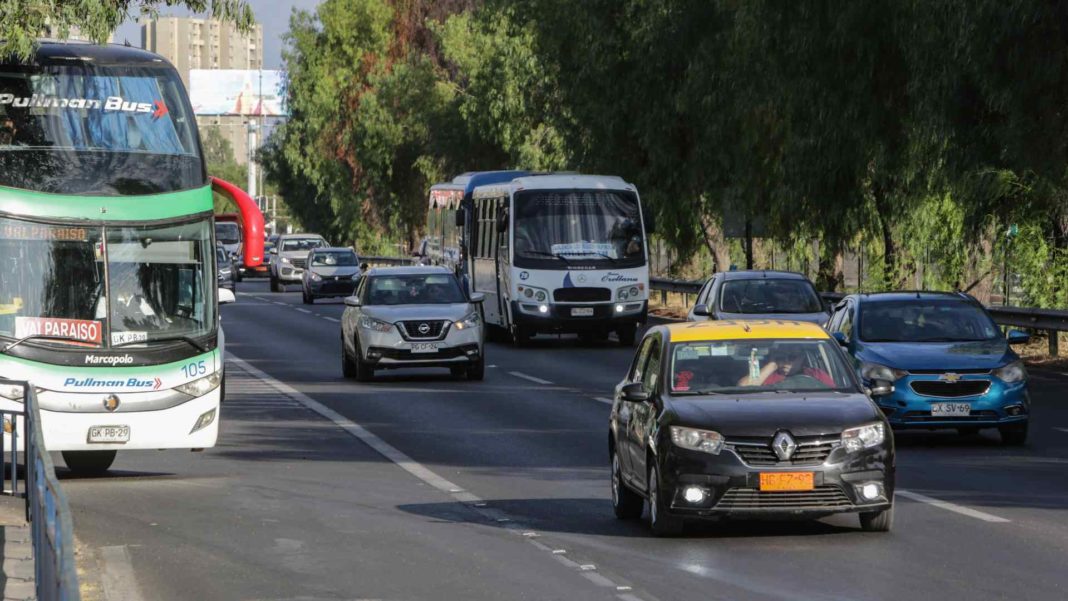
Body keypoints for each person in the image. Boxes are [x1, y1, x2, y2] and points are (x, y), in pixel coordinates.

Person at [737, 347, 834, 387]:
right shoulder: (766, 376)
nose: (786, 362)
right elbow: (742, 388)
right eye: (782, 357)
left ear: (802, 358)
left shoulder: (816, 374)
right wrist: (772, 365)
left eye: (792, 357)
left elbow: (835, 397)